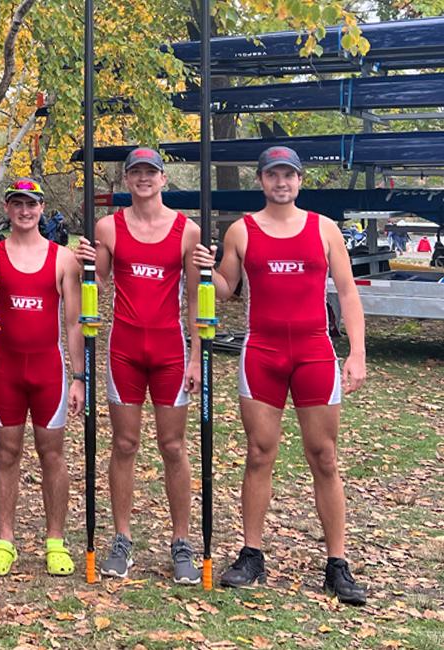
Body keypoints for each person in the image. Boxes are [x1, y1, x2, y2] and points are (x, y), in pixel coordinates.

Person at [193, 146, 367, 605]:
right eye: (273, 175)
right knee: (258, 453)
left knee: (324, 456)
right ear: (261, 180)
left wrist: (358, 352)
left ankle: (337, 563)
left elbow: (347, 292)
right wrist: (206, 270)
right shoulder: (241, 230)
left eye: (289, 175)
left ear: (300, 180)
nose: (281, 183)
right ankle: (252, 554)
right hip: (263, 353)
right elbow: (227, 289)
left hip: (313, 352)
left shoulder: (323, 229)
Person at [74, 147, 204, 584]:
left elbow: (194, 300)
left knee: (173, 446)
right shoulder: (109, 226)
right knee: (125, 444)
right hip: (125, 348)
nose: (144, 179)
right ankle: (123, 539)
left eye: (151, 172)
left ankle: (181, 541)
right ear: (126, 180)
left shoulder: (187, 231)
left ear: (164, 179)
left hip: (169, 349)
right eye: (136, 173)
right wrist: (86, 264)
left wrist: (195, 355)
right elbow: (101, 276)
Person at [0, 179, 85, 577]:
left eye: (31, 205)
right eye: (17, 204)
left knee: (52, 455)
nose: (24, 212)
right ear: (7, 208)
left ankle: (55, 541)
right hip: (7, 369)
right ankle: (5, 539)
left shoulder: (63, 258)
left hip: (48, 370)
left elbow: (72, 325)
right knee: (7, 454)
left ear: (41, 207)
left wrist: (78, 377)